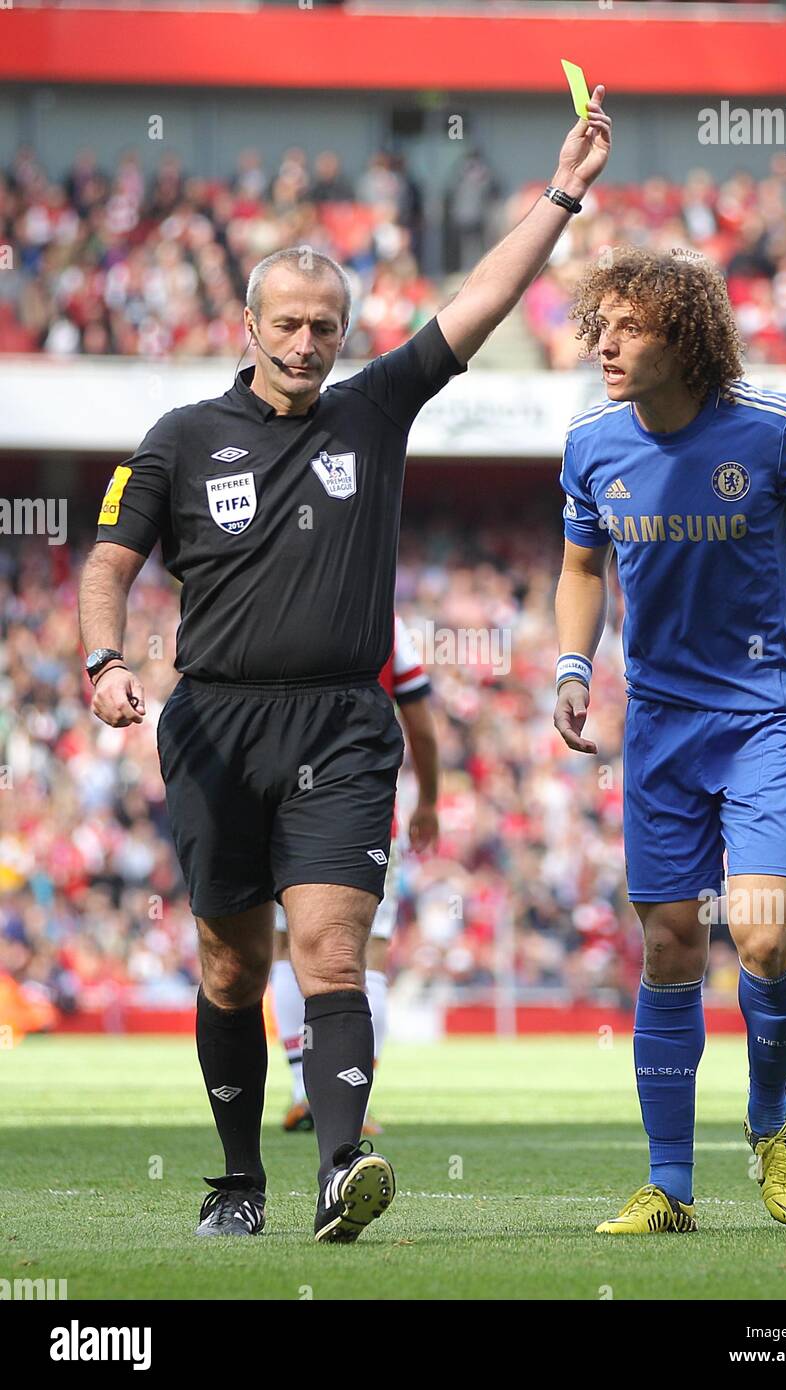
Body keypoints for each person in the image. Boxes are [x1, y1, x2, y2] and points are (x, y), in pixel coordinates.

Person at [78, 86, 611, 1243]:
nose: (311, 343)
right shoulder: (178, 438)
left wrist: (563, 191)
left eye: (328, 324)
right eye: (292, 325)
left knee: (330, 949)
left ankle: (339, 1169)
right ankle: (235, 1179)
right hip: (214, 727)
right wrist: (103, 660)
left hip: (339, 728)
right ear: (251, 326)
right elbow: (108, 564)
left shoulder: (373, 409)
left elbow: (482, 298)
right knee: (228, 967)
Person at [553, 246, 786, 1235]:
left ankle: (769, 1121)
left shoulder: (769, 427)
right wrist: (573, 667)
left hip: (768, 714)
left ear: (685, 338)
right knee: (667, 943)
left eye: (628, 327)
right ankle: (669, 1187)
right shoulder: (588, 445)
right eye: (598, 325)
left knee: (764, 930)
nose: (603, 342)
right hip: (656, 724)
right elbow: (578, 566)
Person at [272, 613, 438, 1134]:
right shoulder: (386, 623)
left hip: (282, 806)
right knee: (368, 956)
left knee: (285, 944)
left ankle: (304, 1090)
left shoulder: (284, 601)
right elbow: (421, 723)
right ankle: (352, 1101)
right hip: (362, 812)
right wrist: (430, 800)